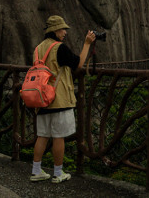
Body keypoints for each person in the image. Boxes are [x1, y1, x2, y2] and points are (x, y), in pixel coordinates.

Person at [30, 15, 96, 183]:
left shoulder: (38, 49)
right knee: (58, 137)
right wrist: (87, 43)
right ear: (55, 30)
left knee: (42, 136)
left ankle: (36, 171)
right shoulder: (59, 48)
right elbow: (79, 64)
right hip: (58, 99)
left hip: (40, 98)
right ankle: (58, 173)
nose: (65, 32)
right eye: (62, 29)